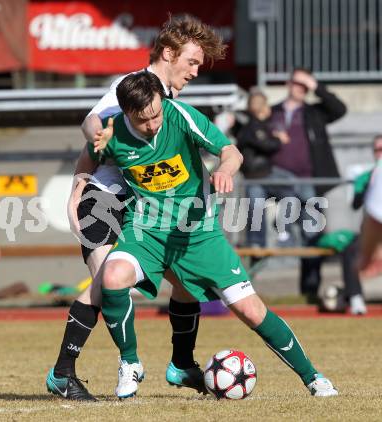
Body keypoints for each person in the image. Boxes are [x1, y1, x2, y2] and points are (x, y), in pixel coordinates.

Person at [88, 72, 337, 399]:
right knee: (113, 276)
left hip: (198, 231)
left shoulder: (181, 117)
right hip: (145, 227)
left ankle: (314, 378)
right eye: (144, 119)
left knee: (250, 310)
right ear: (126, 112)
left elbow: (232, 151)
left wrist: (223, 169)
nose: (153, 123)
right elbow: (92, 144)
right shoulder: (112, 132)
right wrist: (81, 178)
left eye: (156, 113)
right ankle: (130, 363)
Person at [46, 15, 227, 401]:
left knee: (184, 280)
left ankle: (181, 364)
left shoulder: (166, 100)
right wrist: (85, 170)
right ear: (167, 53)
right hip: (104, 201)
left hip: (137, 206)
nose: (195, 72)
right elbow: (91, 120)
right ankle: (64, 373)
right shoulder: (135, 87)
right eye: (192, 62)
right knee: (105, 284)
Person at [269, 68, 347, 299]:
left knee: (312, 236)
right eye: (297, 83)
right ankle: (247, 292)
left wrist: (316, 86)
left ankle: (309, 290)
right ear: (288, 83)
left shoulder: (315, 113)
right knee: (261, 227)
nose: (300, 89)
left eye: (304, 86)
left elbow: (339, 109)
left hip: (311, 184)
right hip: (275, 186)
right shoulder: (272, 112)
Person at [236, 88, 294, 247]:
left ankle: (259, 241)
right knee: (292, 186)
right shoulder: (254, 126)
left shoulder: (252, 125)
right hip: (259, 175)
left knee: (257, 210)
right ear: (262, 108)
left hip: (257, 176)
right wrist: (279, 140)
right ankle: (274, 231)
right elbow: (266, 145)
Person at [359, 138, 382, 277]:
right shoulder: (367, 176)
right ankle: (355, 296)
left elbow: (374, 220)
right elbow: (356, 205)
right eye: (378, 149)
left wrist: (366, 257)